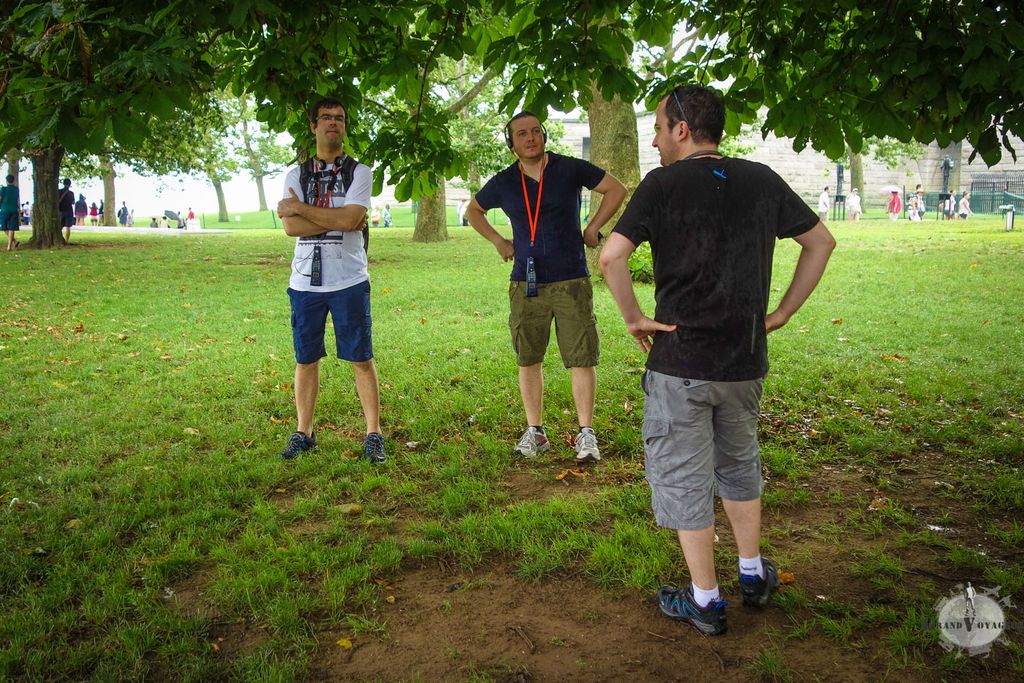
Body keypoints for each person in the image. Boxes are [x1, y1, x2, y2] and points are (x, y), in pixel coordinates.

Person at [599, 84, 835, 636]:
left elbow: (611, 256)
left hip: (680, 362)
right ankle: (752, 575)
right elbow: (820, 242)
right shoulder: (760, 179)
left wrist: (634, 318)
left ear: (682, 128)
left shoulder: (661, 185)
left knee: (685, 477)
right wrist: (780, 314)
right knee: (738, 463)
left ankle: (706, 600)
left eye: (659, 128)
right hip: (744, 360)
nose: (656, 140)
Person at [466, 110, 627, 463]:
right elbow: (473, 210)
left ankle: (586, 433)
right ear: (512, 144)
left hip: (571, 279)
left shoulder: (570, 168)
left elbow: (616, 189)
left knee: (581, 357)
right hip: (526, 282)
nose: (530, 138)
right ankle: (535, 431)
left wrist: (592, 227)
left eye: (536, 131)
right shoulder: (506, 181)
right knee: (529, 357)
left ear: (544, 135)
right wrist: (498, 241)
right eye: (521, 134)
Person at [276, 96, 385, 464]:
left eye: (339, 118)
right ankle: (304, 432)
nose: (333, 123)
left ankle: (373, 433)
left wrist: (307, 211)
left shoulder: (360, 172)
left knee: (361, 358)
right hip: (305, 282)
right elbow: (291, 228)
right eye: (325, 118)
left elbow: (350, 220)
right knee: (306, 359)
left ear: (345, 126)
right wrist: (336, 216)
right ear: (313, 126)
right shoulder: (296, 175)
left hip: (349, 280)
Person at [1, 175, 20, 251]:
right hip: (14, 210)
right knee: (12, 228)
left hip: (5, 209)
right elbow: (18, 199)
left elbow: (0, 198)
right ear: (13, 180)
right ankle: (10, 245)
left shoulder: (4, 189)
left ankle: (14, 242)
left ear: (6, 180)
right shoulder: (16, 189)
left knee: (4, 227)